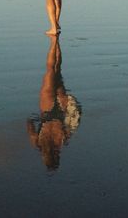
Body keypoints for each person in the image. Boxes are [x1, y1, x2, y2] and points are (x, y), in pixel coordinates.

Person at [26, 35, 81, 170]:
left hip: (58, 108)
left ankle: (55, 43)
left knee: (56, 70)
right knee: (52, 70)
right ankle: (54, 42)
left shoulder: (62, 142)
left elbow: (71, 122)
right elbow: (29, 124)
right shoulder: (39, 144)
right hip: (48, 109)